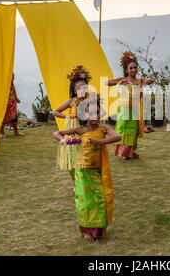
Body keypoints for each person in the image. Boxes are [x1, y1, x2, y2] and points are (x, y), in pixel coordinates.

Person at [53, 93, 121, 242]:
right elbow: (56, 133)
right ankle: (85, 230)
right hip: (82, 171)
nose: (94, 116)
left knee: (102, 199)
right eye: (90, 113)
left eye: (97, 112)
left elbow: (117, 137)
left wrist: (99, 143)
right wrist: (64, 141)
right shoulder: (80, 130)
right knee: (86, 203)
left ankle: (98, 229)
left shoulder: (103, 128)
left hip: (98, 170)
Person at [107, 51, 154, 160]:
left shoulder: (139, 80)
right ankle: (124, 153)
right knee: (123, 131)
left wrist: (145, 83)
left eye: (135, 67)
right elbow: (107, 82)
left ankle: (131, 152)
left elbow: (150, 80)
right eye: (131, 68)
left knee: (133, 131)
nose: (134, 70)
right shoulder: (123, 80)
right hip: (124, 109)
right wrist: (119, 83)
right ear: (126, 70)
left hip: (136, 110)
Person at [53, 65, 91, 184]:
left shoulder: (91, 100)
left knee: (85, 155)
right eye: (80, 88)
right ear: (75, 90)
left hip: (85, 131)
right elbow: (56, 112)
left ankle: (85, 179)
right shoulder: (71, 101)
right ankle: (74, 180)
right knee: (72, 156)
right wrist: (68, 117)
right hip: (73, 131)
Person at [0, 73, 24, 138]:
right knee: (3, 118)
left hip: (12, 102)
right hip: (5, 103)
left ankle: (16, 131)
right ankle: (1, 133)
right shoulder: (2, 83)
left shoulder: (11, 84)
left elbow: (13, 91)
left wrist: (16, 98)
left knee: (15, 117)